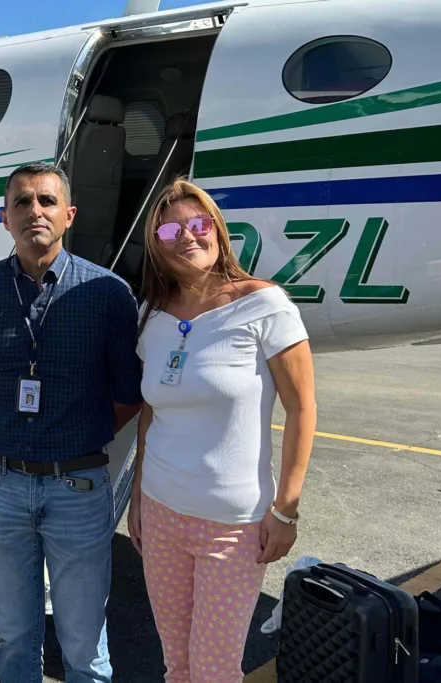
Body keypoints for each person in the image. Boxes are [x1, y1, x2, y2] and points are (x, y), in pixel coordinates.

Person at [0, 161, 143, 682]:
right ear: (4, 217)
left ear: (69, 215)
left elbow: (128, 394)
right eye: (21, 202)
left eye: (46, 201)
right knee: (14, 639)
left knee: (84, 647)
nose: (34, 211)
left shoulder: (107, 293)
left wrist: (73, 435)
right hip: (1, 487)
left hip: (78, 488)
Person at [127, 178, 317, 683]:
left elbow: (302, 409)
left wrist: (286, 510)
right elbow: (151, 412)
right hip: (161, 512)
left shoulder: (265, 305)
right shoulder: (153, 317)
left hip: (230, 526)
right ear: (156, 245)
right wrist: (137, 496)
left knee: (214, 670)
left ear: (216, 228)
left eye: (198, 223)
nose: (188, 236)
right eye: (171, 230)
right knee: (177, 665)